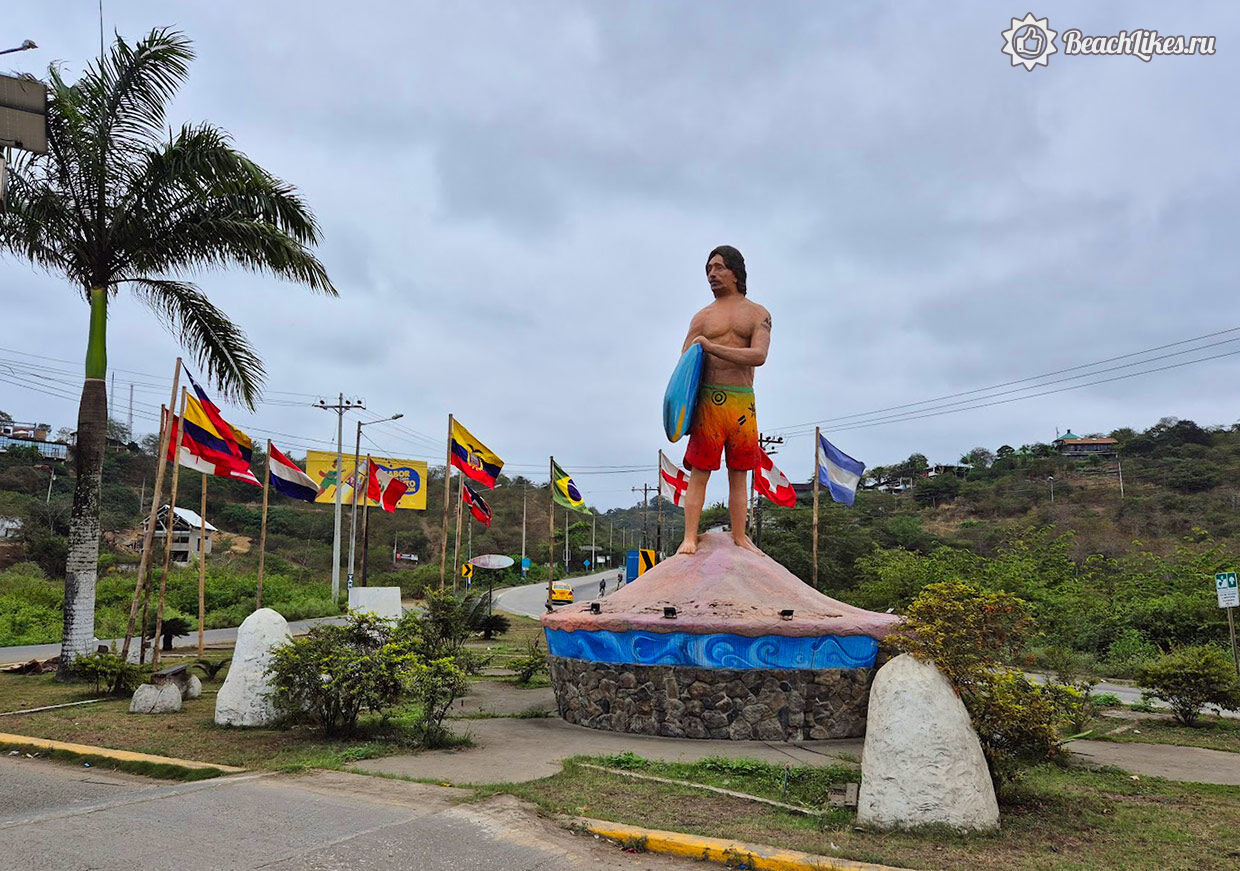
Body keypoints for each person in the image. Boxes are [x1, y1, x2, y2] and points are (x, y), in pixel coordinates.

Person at [675, 245, 771, 556]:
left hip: (742, 402)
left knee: (739, 474)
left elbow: (759, 356)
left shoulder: (758, 314)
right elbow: (684, 367)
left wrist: (711, 347)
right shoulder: (701, 318)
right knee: (699, 473)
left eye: (718, 267)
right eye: (708, 270)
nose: (712, 275)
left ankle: (740, 536)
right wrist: (682, 411)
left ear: (735, 271)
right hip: (708, 404)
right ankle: (689, 537)